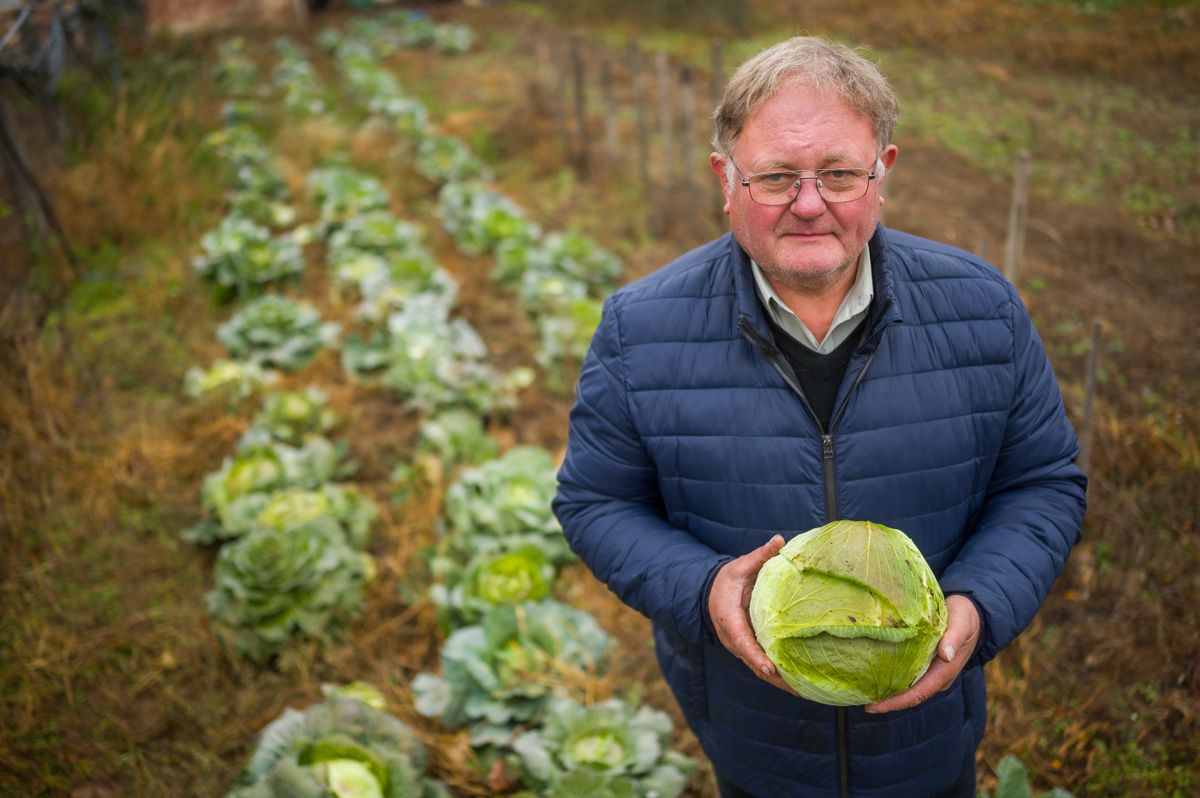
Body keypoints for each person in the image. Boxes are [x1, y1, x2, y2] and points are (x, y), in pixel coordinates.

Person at [552, 35, 1086, 798]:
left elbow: (1042, 482)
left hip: (927, 744)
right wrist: (705, 590)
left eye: (838, 173)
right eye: (775, 176)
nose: (809, 204)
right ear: (725, 179)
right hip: (753, 736)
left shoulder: (983, 309)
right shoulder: (641, 329)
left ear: (882, 173)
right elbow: (595, 501)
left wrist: (979, 602)